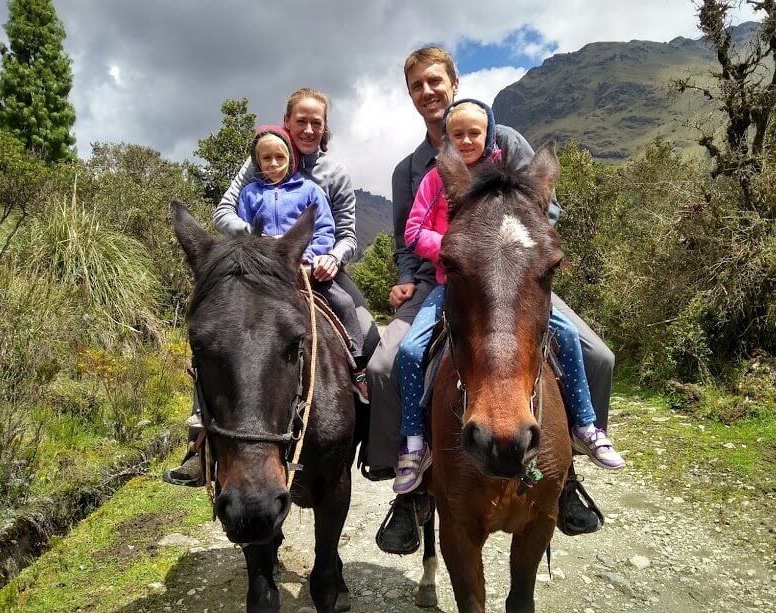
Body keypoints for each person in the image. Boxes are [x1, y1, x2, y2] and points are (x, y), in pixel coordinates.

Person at [369, 47, 615, 554]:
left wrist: (505, 246)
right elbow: (404, 236)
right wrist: (405, 278)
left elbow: (548, 210)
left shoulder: (507, 141)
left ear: (453, 83)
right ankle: (410, 488)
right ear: (410, 94)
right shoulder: (410, 169)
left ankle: (566, 476)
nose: (427, 92)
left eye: (435, 81)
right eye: (417, 85)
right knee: (384, 363)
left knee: (597, 355)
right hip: (437, 282)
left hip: (515, 277)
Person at [391, 99, 623, 496]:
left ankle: (581, 439)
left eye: (474, 133)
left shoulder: (513, 158)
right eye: (456, 134)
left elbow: (541, 215)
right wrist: (459, 248)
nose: (465, 140)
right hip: (456, 280)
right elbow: (411, 232)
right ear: (444, 141)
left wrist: (517, 247)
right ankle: (415, 447)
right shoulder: (434, 176)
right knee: (410, 351)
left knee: (587, 349)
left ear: (490, 133)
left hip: (517, 276)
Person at [163, 88, 379, 487]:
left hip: (318, 267)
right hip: (264, 272)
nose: (309, 128)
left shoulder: (330, 177)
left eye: (317, 122)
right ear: (287, 121)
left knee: (367, 330)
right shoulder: (256, 166)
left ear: (325, 126)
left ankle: (372, 429)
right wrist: (259, 246)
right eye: (302, 120)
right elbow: (225, 212)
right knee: (221, 340)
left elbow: (343, 232)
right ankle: (200, 442)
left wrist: (329, 257)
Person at [237, 124, 369, 396]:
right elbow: (245, 233)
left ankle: (358, 367)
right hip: (264, 274)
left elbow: (324, 230)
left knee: (343, 302)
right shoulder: (249, 194)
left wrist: (311, 257)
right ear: (257, 161)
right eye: (266, 158)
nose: (273, 164)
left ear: (290, 159)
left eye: (280, 157)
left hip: (305, 269)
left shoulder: (309, 191)